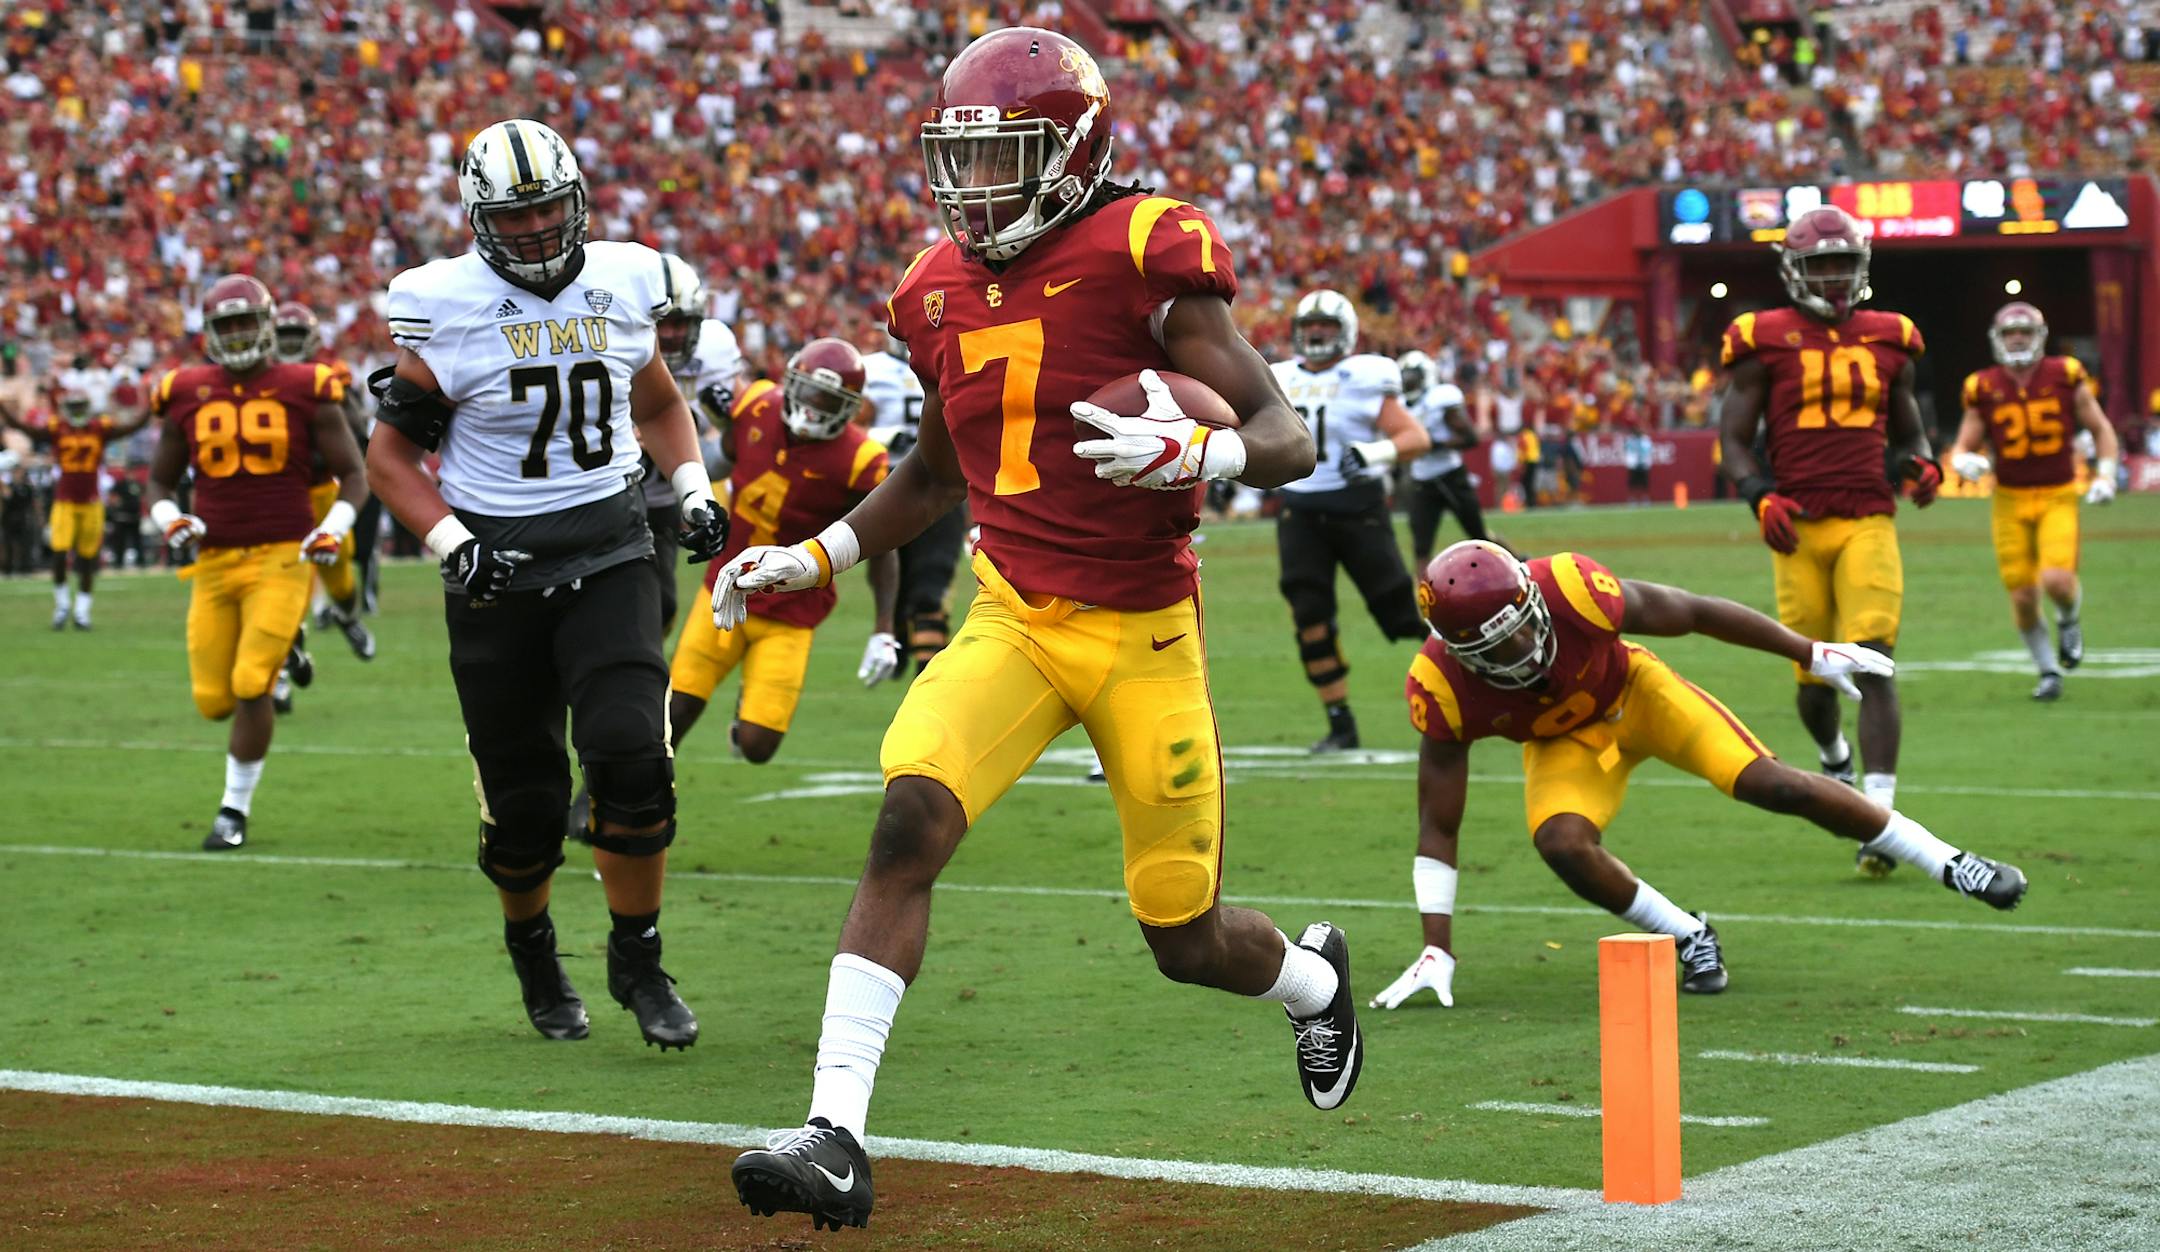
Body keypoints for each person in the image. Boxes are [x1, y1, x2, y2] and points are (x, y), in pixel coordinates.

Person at [721, 29, 1356, 1232]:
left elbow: (1286, 436)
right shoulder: (931, 287)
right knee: (909, 813)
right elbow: (933, 469)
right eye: (956, 163)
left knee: (1183, 935)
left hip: (1143, 634)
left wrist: (1203, 450)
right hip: (1014, 612)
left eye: (1002, 159)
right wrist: (813, 552)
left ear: (1072, 153)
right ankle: (836, 1134)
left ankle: (1316, 984)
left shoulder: (1143, 249)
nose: (972, 189)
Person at [363, 119, 728, 1052]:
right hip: (499, 571)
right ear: (480, 218)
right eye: (513, 216)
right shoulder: (442, 304)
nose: (532, 232)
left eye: (547, 211)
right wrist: (452, 542)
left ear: (579, 201)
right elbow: (392, 458)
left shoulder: (626, 279)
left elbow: (655, 403)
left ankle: (638, 958)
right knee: (525, 808)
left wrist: (691, 491)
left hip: (609, 550)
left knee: (633, 761)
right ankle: (532, 945)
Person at [1370, 541, 2031, 1010]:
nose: (1520, 650)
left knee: (1771, 783)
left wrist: (1809, 651)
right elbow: (1438, 822)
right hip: (1563, 744)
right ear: (1454, 651)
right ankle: (1689, 935)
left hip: (1640, 693)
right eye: (1493, 648)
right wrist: (1438, 948)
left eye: (1518, 630)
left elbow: (1692, 611)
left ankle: (1950, 862)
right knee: (1562, 845)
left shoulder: (1572, 587)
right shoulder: (1440, 686)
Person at [1717, 204, 1936, 877]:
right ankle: (1834, 755)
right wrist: (1759, 494)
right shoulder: (1763, 337)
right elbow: (1733, 438)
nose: (1836, 278)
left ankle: (1881, 819)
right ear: (1795, 270)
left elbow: (1909, 431)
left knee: (1871, 662)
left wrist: (1923, 462)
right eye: (1823, 265)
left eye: (1845, 263)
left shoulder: (1890, 336)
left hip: (1869, 514)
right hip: (1798, 524)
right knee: (1816, 679)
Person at [141, 274, 369, 851]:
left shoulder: (304, 385)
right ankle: (286, 648)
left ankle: (232, 812)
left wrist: (331, 528)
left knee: (250, 684)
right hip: (214, 562)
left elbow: (356, 474)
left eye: (246, 322)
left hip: (281, 556)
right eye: (227, 325)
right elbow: (159, 482)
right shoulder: (185, 390)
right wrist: (171, 520)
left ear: (267, 325)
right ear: (208, 332)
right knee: (213, 702)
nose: (238, 334)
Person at [669, 339, 899, 763]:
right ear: (791, 381)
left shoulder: (861, 458)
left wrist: (884, 625)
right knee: (674, 710)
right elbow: (724, 458)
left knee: (758, 747)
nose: (813, 406)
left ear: (851, 407)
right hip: (724, 586)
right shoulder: (756, 403)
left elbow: (882, 545)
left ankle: (745, 717)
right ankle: (605, 805)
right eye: (809, 391)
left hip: (792, 610)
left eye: (828, 400)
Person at [1270, 288, 1433, 752]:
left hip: (1356, 509)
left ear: (1347, 332)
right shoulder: (1277, 376)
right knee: (1310, 618)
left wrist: (1374, 452)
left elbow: (1414, 437)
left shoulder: (1363, 375)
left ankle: (1473, 681)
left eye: (1326, 326)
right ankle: (1341, 724)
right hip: (1299, 510)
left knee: (1400, 613)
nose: (1317, 334)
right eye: (1310, 326)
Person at [1947, 302, 2121, 702]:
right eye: (2011, 333)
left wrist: (2107, 474)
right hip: (2008, 499)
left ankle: (2068, 619)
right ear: (1998, 339)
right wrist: (1964, 460)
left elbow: (2101, 429)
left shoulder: (2065, 374)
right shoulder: (1983, 386)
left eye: (2025, 331)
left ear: (2040, 336)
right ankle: (2048, 671)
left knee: (2057, 581)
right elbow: (1963, 444)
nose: (2018, 338)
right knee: (2023, 598)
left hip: (2058, 493)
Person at [270, 301, 375, 717]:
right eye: (285, 337)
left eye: (298, 337)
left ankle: (348, 617)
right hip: (278, 493)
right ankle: (281, 667)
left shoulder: (329, 375)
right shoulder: (261, 379)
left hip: (323, 489)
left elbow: (355, 428)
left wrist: (324, 396)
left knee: (341, 577)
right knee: (283, 579)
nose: (292, 345)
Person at [0, 386, 152, 629]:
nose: (78, 411)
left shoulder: (99, 429)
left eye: (81, 406)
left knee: (87, 558)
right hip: (66, 501)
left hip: (91, 501)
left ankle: (82, 612)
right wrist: (5, 412)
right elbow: (26, 429)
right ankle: (61, 606)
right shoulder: (58, 429)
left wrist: (150, 406)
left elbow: (131, 427)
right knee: (60, 552)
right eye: (74, 406)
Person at [648, 252, 745, 632]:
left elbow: (729, 444)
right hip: (621, 487)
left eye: (681, 323)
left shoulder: (716, 347)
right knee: (644, 602)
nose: (671, 334)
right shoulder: (619, 347)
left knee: (663, 606)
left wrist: (729, 419)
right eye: (662, 324)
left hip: (675, 491)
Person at [860, 329, 964, 675]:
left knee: (929, 587)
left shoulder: (951, 360)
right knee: (897, 584)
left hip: (941, 482)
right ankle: (897, 636)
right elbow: (848, 427)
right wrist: (881, 436)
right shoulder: (869, 369)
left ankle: (929, 678)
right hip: (886, 486)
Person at [1402, 353, 1497, 566]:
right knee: (1421, 546)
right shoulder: (1400, 404)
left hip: (1450, 475)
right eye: (1405, 378)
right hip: (1421, 481)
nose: (1408, 382)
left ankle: (1519, 564)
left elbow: (1470, 438)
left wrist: (1435, 444)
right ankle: (1423, 596)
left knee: (1480, 536)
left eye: (1412, 377)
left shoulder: (1440, 398)